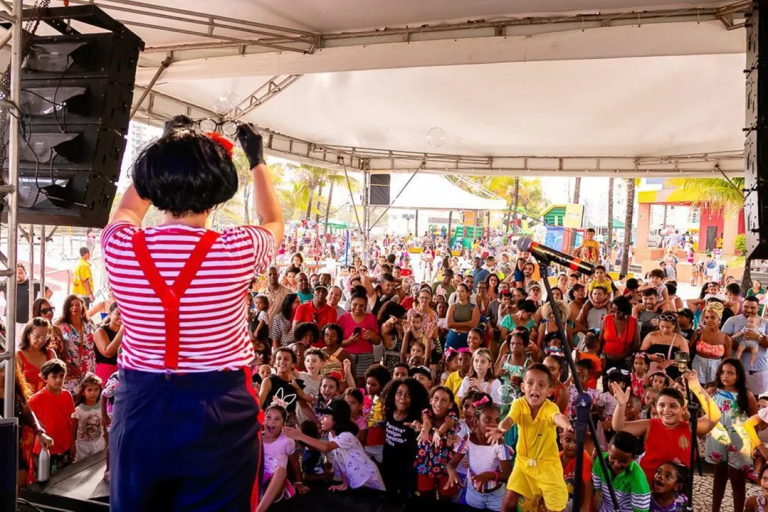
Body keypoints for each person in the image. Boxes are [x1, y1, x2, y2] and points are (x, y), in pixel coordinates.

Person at [101, 119, 283, 510]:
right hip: (218, 410)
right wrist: (257, 160)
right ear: (216, 194)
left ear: (154, 185)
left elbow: (130, 207)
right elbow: (273, 220)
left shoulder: (119, 247)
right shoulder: (237, 249)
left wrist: (168, 149)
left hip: (139, 408)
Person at [487, 363, 571, 512]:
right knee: (508, 502)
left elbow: (557, 417)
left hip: (548, 467)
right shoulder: (519, 404)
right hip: (523, 463)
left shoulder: (550, 407)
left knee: (555, 508)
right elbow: (509, 419)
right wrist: (501, 429)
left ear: (549, 391)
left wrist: (566, 425)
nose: (535, 388)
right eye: (530, 383)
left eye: (541, 385)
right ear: (523, 387)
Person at [611, 372, 721, 484]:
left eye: (673, 406)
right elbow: (619, 427)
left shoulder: (690, 427)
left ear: (683, 409)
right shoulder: (649, 425)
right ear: (656, 406)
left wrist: (696, 388)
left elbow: (714, 416)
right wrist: (621, 405)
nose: (666, 410)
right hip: (647, 487)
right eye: (662, 405)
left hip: (677, 490)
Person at [704, 358, 756, 512]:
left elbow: (755, 420)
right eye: (722, 373)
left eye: (730, 373)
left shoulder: (746, 395)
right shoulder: (712, 391)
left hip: (739, 442)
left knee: (738, 481)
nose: (725, 376)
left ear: (738, 376)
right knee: (718, 478)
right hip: (717, 438)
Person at [445, 397, 512, 511]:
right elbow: (451, 464)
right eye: (487, 420)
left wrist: (490, 475)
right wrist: (452, 473)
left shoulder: (499, 442)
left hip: (496, 496)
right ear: (476, 421)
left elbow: (507, 475)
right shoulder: (468, 439)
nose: (493, 424)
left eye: (497, 420)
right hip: (474, 494)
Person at [28, 359, 76, 475]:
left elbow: (70, 420)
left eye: (61, 376)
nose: (58, 380)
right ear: (45, 378)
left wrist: (72, 443)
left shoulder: (67, 394)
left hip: (64, 446)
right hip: (44, 449)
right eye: (54, 377)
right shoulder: (35, 399)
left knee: (63, 481)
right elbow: (28, 424)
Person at [591, 431, 651, 512]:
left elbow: (641, 510)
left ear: (633, 458)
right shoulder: (599, 462)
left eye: (623, 461)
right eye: (613, 458)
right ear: (608, 448)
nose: (617, 464)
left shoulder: (638, 478)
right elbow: (595, 490)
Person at [721, 296, 768, 395]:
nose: (749, 310)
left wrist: (757, 337)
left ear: (758, 308)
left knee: (753, 401)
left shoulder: (765, 322)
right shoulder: (732, 320)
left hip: (757, 370)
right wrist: (744, 347)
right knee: (732, 400)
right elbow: (724, 339)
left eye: (753, 308)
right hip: (734, 371)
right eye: (746, 307)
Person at [55, 295, 96, 395]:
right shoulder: (60, 324)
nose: (75, 307)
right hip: (71, 368)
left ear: (82, 306)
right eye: (71, 305)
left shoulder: (89, 322)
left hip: (88, 366)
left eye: (77, 304)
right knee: (71, 396)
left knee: (87, 396)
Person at [338, 293, 380, 385]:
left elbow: (377, 341)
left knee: (363, 383)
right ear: (350, 304)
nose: (358, 308)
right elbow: (337, 343)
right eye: (355, 305)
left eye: (361, 306)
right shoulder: (344, 318)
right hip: (347, 356)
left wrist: (372, 335)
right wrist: (349, 341)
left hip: (366, 357)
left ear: (365, 306)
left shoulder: (371, 318)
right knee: (347, 382)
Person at [1, 263, 52, 337]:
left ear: (25, 273)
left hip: (28, 320)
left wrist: (40, 305)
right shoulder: (7, 282)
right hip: (10, 319)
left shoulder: (32, 282)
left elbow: (49, 292)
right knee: (10, 341)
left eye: (21, 273)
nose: (18, 275)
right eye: (16, 273)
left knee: (25, 340)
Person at [16, 317, 59, 393]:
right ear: (28, 335)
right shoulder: (19, 355)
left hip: (47, 399)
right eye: (37, 336)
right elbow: (14, 384)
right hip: (26, 401)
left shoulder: (51, 354)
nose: (41, 340)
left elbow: (58, 379)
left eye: (45, 336)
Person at [72, 373, 106, 461]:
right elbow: (73, 429)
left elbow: (105, 425)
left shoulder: (103, 406)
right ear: (83, 392)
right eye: (89, 390)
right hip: (82, 446)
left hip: (99, 443)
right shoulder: (78, 410)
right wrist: (72, 445)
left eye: (96, 389)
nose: (93, 393)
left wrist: (107, 440)